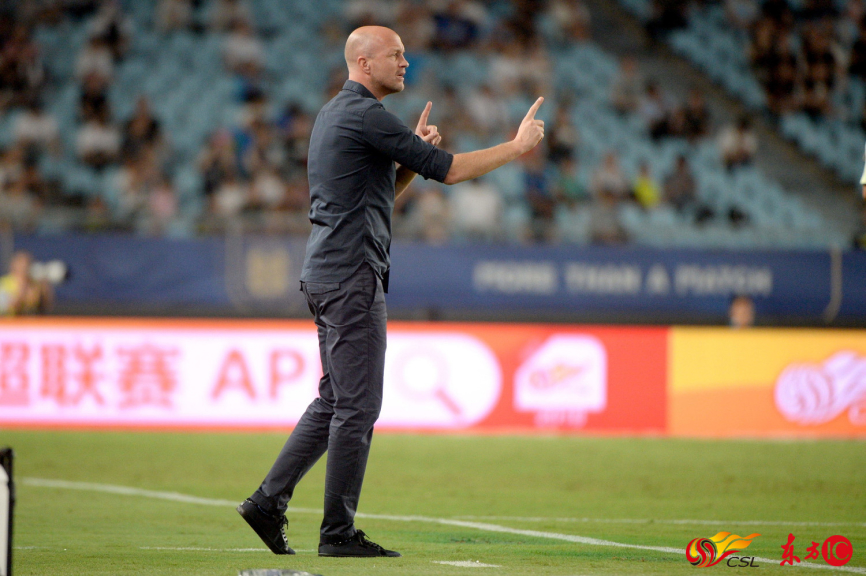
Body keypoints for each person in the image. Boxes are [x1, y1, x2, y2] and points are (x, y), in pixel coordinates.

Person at [237, 25, 545, 559]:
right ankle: (336, 534)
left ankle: (267, 503)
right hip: (351, 276)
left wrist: (407, 163)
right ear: (363, 61)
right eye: (396, 55)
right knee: (357, 407)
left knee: (335, 400)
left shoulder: (337, 113)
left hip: (329, 272)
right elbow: (448, 173)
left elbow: (380, 191)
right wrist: (517, 148)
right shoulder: (365, 115)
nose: (406, 62)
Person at [0, 250, 52, 315]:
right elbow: (11, 307)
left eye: (27, 263)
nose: (24, 267)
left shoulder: (35, 284)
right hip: (9, 323)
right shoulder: (4, 284)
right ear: (14, 265)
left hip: (31, 323)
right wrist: (23, 289)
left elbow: (45, 306)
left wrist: (44, 288)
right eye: (21, 263)